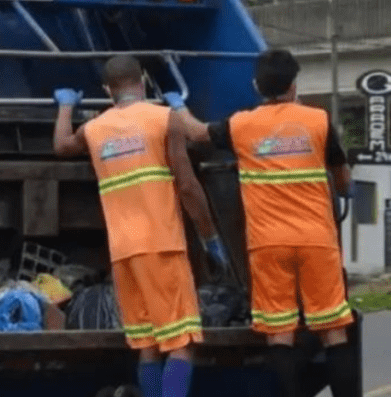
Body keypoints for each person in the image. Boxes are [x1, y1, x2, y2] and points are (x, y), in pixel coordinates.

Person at [167, 49, 356, 397]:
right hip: (317, 240)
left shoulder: (240, 125)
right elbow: (341, 174)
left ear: (256, 86)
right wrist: (345, 190)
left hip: (268, 244)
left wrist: (176, 103)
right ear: (294, 85)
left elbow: (195, 132)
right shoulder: (318, 120)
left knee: (279, 331)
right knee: (333, 329)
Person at [53, 55, 231, 397]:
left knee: (147, 345)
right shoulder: (163, 119)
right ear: (144, 82)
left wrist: (65, 107)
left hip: (123, 253)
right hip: (162, 246)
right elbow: (188, 186)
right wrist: (209, 237)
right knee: (181, 342)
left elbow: (61, 145)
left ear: (108, 90)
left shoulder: (94, 129)